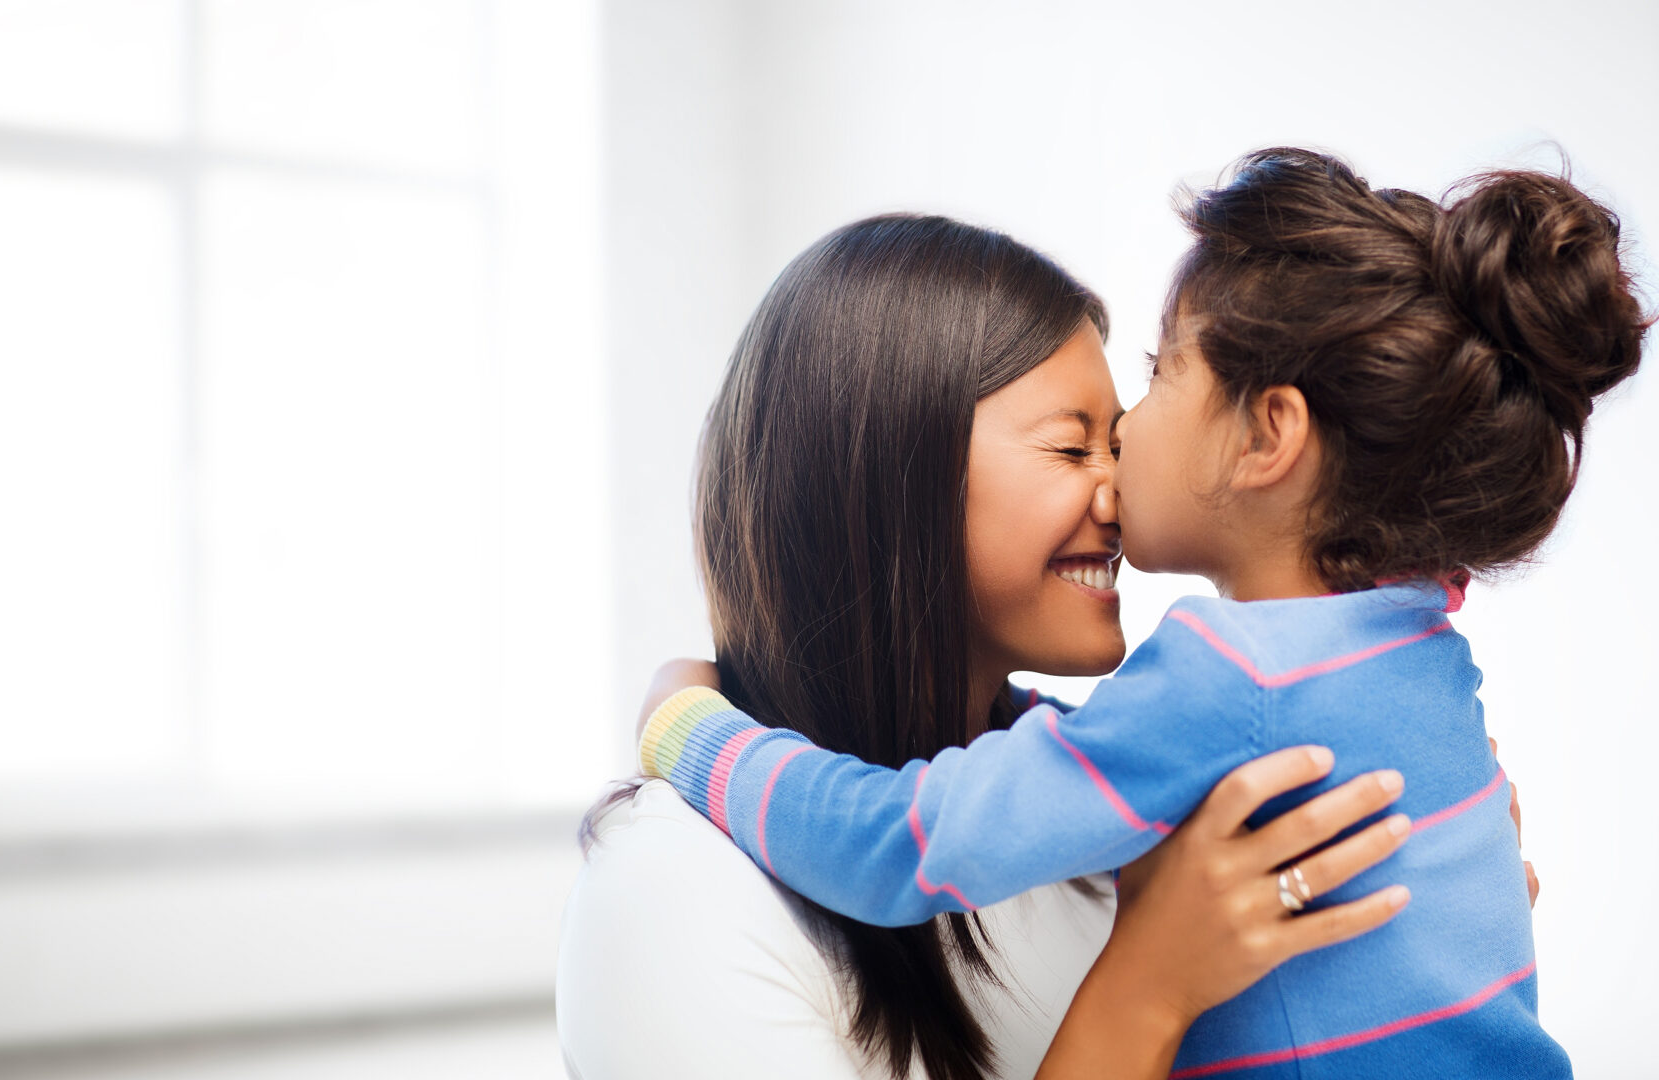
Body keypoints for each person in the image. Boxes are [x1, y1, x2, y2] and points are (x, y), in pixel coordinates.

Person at [636, 149, 1643, 1077]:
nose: (1117, 468)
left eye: (1160, 377)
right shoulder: (1419, 642)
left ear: (1268, 436)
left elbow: (897, 845)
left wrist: (690, 730)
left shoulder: (1225, 673)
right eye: (1074, 447)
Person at [559, 212, 1448, 1080]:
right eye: (1073, 449)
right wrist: (1148, 986)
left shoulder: (1114, 833)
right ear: (889, 480)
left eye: (1119, 441)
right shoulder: (671, 889)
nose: (1121, 492)